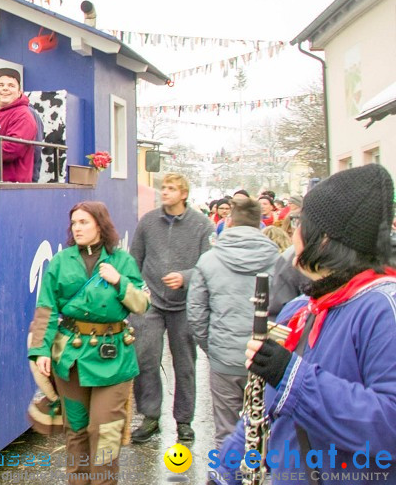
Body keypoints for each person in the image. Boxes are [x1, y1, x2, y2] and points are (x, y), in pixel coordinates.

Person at [211, 164, 396, 484]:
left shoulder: (382, 309)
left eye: (300, 222)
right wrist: (226, 471)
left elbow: (388, 425)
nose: (293, 231)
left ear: (324, 239)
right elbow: (261, 412)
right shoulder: (299, 310)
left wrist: (293, 378)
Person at [29, 201, 149, 482]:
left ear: (100, 224)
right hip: (71, 358)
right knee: (77, 430)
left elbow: (142, 305)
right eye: (74, 223)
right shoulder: (62, 261)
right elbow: (46, 308)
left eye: (84, 222)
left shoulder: (121, 261)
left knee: (105, 430)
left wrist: (120, 282)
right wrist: (41, 350)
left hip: (113, 358)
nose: (78, 228)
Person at [186, 195, 280, 446]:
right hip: (266, 357)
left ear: (229, 221)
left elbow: (196, 312)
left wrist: (212, 348)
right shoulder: (277, 260)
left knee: (226, 432)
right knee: (264, 429)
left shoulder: (209, 260)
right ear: (258, 223)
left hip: (224, 357)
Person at [130, 173, 214, 444]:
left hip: (185, 305)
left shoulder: (202, 225)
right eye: (163, 188)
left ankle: (184, 421)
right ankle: (150, 416)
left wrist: (186, 278)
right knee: (145, 358)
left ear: (184, 194)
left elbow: (209, 264)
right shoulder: (148, 222)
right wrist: (139, 288)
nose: (164, 192)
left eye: (171, 188)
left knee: (185, 364)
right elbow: (134, 259)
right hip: (151, 302)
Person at [0, 67, 40, 183]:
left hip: (14, 188)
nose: (5, 88)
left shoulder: (23, 116)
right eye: (1, 85)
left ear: (19, 92)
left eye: (11, 85)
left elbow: (11, 149)